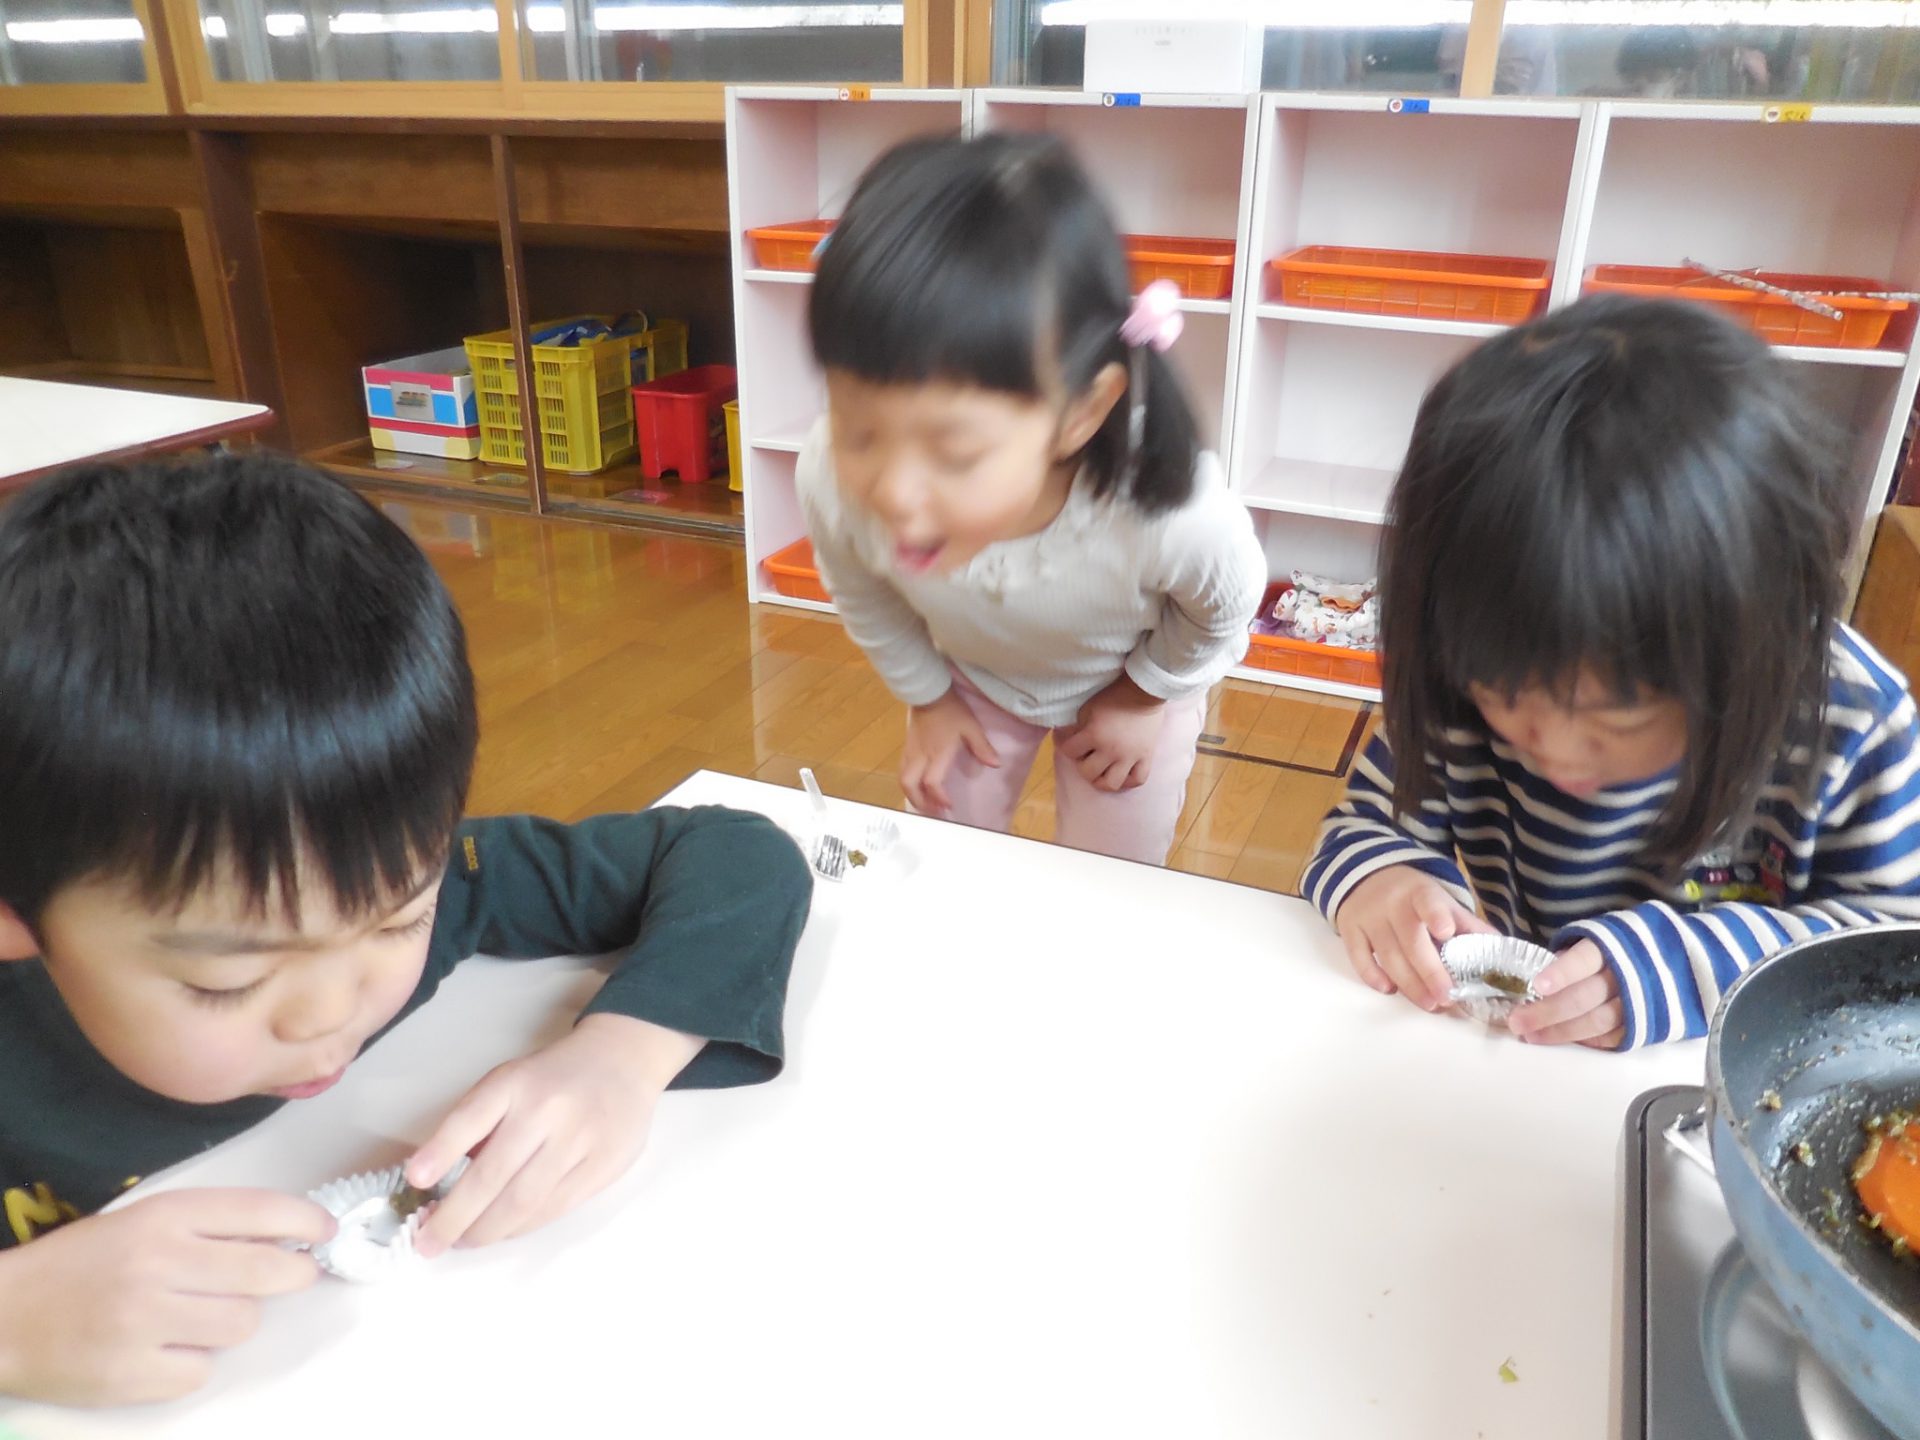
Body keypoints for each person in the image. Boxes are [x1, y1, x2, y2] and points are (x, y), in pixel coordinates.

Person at [0, 453, 811, 1406]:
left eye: (400, 921)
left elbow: (734, 852)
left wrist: (620, 1058)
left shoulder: (360, 873)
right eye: (229, 983)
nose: (332, 1014)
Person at [1302, 294, 1920, 1050]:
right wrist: (1384, 881)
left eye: (1616, 720)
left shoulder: (1852, 721)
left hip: (1730, 1070)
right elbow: (1367, 825)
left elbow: (1893, 951)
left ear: (1746, 645)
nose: (1555, 754)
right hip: (1529, 1057)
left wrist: (1682, 971)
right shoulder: (1467, 663)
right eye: (1506, 698)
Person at [797, 132, 1266, 866]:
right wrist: (928, 698)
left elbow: (1225, 607)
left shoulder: (1168, 510)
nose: (893, 493)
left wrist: (1144, 696)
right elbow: (862, 590)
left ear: (1081, 412)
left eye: (954, 452)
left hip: (1132, 678)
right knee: (943, 858)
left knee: (1111, 879)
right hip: (974, 678)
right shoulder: (832, 474)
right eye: (859, 430)